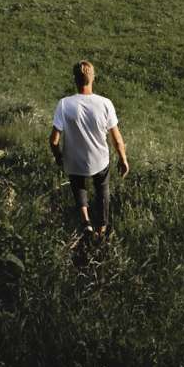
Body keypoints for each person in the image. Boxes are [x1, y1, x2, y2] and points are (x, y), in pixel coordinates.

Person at [50, 60, 129, 242]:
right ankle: (101, 230)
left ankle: (86, 222)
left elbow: (54, 140)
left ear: (75, 79)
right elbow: (116, 139)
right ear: (92, 78)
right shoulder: (105, 103)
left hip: (74, 161)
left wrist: (58, 156)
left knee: (78, 185)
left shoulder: (64, 104)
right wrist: (123, 158)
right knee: (102, 189)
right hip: (99, 160)